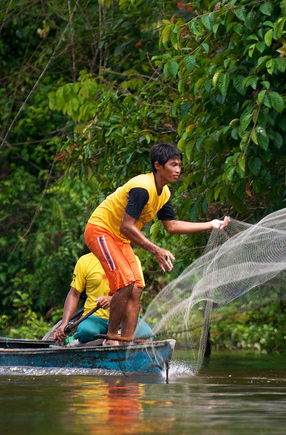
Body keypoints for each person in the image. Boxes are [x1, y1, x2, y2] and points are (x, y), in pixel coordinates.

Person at [84, 142, 229, 345]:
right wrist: (156, 250)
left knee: (137, 286)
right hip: (100, 231)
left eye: (179, 165)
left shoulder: (165, 193)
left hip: (120, 238)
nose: (178, 170)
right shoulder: (142, 188)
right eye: (173, 165)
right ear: (158, 165)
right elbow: (127, 226)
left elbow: (171, 225)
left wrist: (209, 224)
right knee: (125, 282)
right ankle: (111, 339)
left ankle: (125, 342)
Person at [53, 252, 154, 344]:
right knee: (86, 332)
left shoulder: (132, 260)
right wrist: (64, 323)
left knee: (146, 334)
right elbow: (74, 294)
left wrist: (114, 300)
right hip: (96, 317)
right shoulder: (85, 261)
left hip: (125, 317)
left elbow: (135, 292)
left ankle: (114, 339)